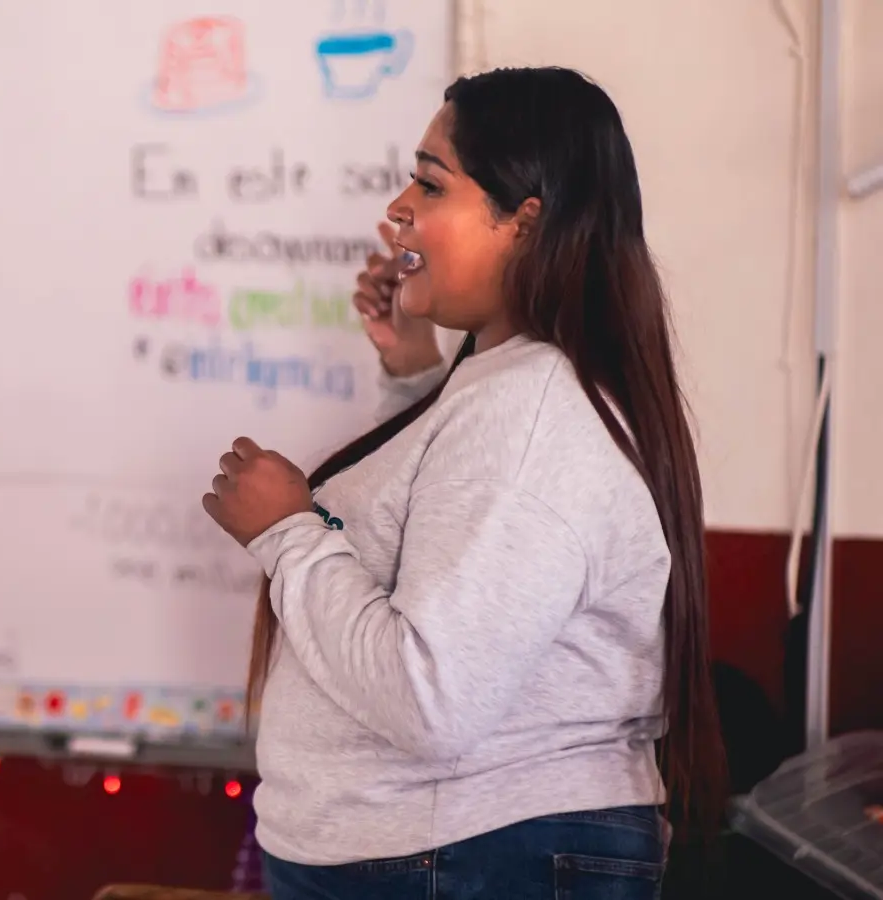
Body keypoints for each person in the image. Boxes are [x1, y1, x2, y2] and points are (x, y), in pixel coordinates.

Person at [201, 66, 727, 899]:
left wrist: (288, 533)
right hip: (450, 858)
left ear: (525, 223)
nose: (398, 208)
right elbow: (445, 522)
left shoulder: (533, 412)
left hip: (467, 861)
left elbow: (429, 697)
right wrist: (413, 376)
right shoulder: (509, 390)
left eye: (430, 182)